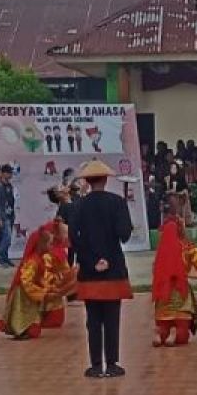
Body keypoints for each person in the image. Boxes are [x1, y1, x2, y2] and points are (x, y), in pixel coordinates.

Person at [70, 160, 133, 379]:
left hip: (89, 271)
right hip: (113, 268)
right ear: (106, 180)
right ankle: (113, 364)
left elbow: (73, 239)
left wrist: (92, 260)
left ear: (87, 181)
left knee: (93, 320)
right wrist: (106, 259)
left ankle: (96, 365)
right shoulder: (117, 203)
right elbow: (124, 234)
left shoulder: (78, 205)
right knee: (112, 319)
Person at [151, 201, 197, 347]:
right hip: (180, 293)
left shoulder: (160, 253)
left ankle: (160, 333)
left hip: (162, 297)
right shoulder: (188, 249)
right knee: (182, 335)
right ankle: (174, 334)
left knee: (163, 324)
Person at [0, 220, 75, 339]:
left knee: (36, 322)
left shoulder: (42, 258)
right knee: (21, 320)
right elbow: (27, 281)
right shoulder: (34, 262)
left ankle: (18, 328)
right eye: (49, 244)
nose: (51, 247)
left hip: (36, 294)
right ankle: (12, 328)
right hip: (25, 295)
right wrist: (43, 291)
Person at [0, 165, 17, 267]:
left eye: (11, 173)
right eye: (8, 173)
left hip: (10, 214)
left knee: (9, 237)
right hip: (3, 216)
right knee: (6, 237)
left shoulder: (9, 186)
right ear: (3, 173)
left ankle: (5, 256)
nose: (10, 175)